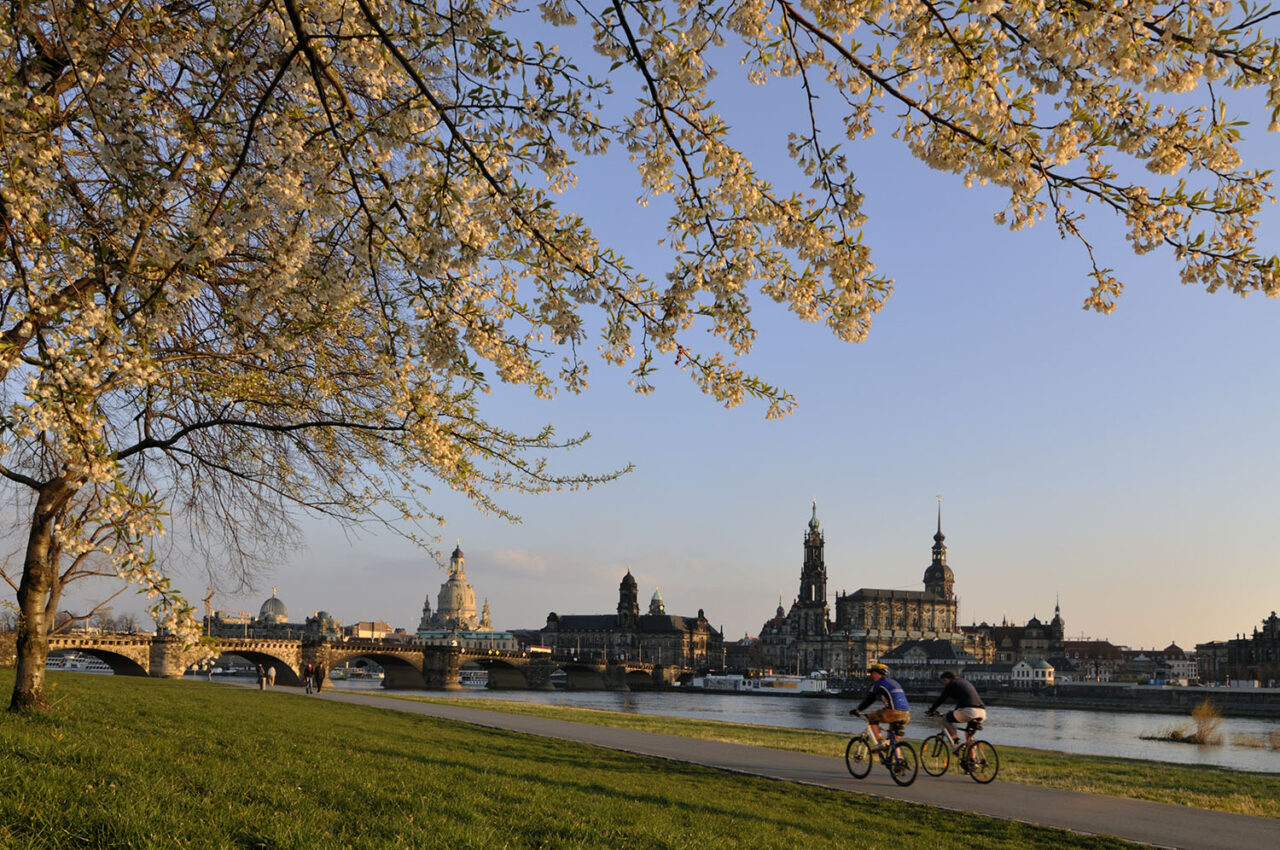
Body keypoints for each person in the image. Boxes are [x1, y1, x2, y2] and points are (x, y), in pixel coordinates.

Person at [850, 663, 910, 751]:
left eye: (873, 673)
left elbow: (869, 700)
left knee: (872, 717)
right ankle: (899, 760)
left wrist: (857, 710)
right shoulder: (894, 682)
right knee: (892, 742)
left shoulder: (878, 685)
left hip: (894, 713)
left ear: (878, 674)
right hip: (906, 714)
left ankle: (879, 742)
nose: (872, 676)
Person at [927, 670, 986, 751]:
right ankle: (972, 761)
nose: (944, 684)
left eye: (944, 681)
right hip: (982, 712)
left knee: (945, 719)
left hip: (969, 711)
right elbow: (964, 700)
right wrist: (955, 710)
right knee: (969, 737)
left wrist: (931, 710)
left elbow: (942, 698)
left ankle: (956, 741)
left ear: (947, 679)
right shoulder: (964, 682)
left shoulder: (951, 684)